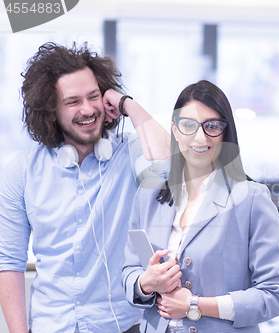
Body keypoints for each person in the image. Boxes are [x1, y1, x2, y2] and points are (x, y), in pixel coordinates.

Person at [0, 42, 170, 333]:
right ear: (51, 111)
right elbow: (9, 262)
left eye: (94, 97)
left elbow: (172, 165)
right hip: (50, 325)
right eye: (73, 101)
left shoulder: (129, 154)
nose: (88, 109)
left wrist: (126, 103)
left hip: (122, 324)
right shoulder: (22, 172)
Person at [122, 80, 279, 333]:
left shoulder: (251, 199)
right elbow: (129, 270)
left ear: (226, 132)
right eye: (189, 126)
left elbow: (276, 294)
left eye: (212, 126)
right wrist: (146, 283)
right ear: (174, 129)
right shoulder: (148, 194)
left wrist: (195, 305)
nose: (200, 137)